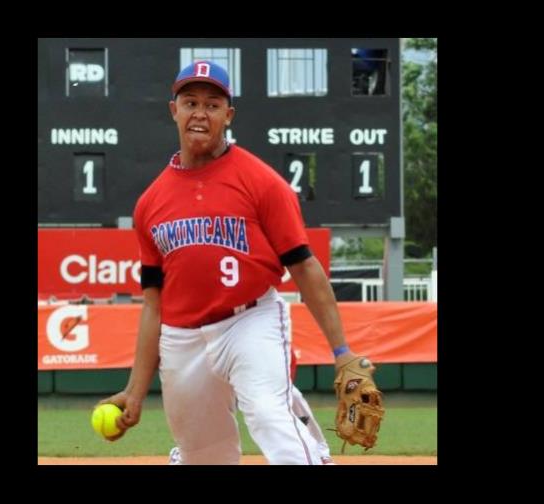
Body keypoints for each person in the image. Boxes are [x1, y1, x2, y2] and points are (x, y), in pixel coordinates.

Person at [98, 60, 363, 465]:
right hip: (181, 337)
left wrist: (342, 351)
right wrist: (135, 392)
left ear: (228, 115)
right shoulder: (150, 203)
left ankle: (305, 446)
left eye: (212, 104)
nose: (200, 113)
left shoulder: (262, 182)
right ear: (174, 111)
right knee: (204, 454)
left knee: (268, 415)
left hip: (249, 320)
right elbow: (153, 303)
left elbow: (305, 267)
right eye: (190, 102)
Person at [168, 349, 335, 465]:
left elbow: (287, 365)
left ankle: (321, 453)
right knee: (208, 408)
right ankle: (184, 455)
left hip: (256, 375)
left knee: (292, 395)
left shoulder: (266, 325)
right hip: (219, 366)